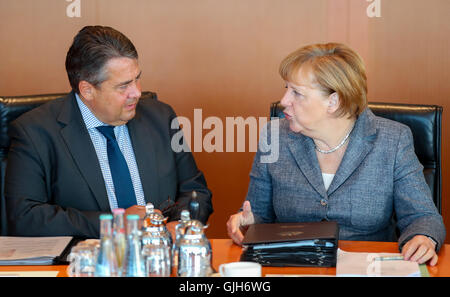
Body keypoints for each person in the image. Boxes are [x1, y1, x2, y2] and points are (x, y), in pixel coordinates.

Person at [227, 43, 445, 266]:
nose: (284, 101)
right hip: (295, 266)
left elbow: (423, 217)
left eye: (297, 93)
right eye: (286, 88)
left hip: (368, 267)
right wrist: (247, 222)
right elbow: (259, 214)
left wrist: (423, 237)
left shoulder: (392, 140)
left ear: (334, 101)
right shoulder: (274, 136)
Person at [5, 26, 213, 238]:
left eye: (137, 78)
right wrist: (116, 224)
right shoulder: (35, 132)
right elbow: (25, 218)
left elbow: (196, 192)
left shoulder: (161, 118)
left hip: (158, 260)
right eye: (124, 86)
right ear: (87, 90)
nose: (137, 92)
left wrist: (178, 224)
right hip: (85, 263)